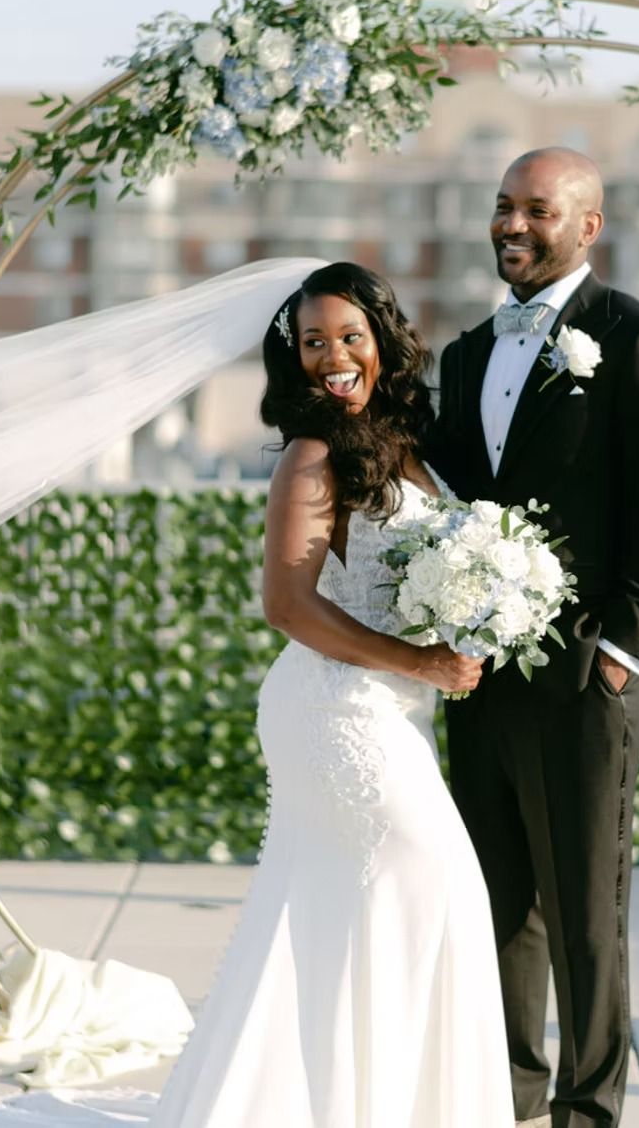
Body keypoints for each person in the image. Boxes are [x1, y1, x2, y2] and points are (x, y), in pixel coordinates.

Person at [147, 261, 514, 1127]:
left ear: (384, 340)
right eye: (314, 342)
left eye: (350, 337)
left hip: (393, 710)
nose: (334, 357)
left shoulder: (403, 448)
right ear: (296, 356)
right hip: (333, 709)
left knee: (351, 908)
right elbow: (285, 602)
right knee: (438, 882)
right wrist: (415, 660)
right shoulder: (312, 455)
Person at [430, 148, 639, 1128]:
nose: (511, 224)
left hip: (588, 678)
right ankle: (507, 1095)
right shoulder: (464, 354)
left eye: (535, 210)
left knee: (586, 913)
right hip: (477, 672)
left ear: (587, 225)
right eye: (501, 206)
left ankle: (586, 1110)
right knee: (497, 903)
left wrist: (624, 651)